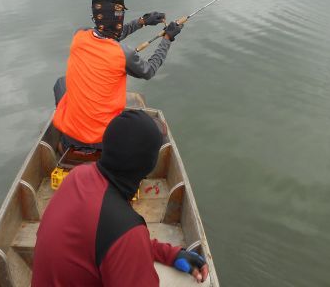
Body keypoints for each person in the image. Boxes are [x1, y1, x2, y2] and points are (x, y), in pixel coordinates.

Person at [32, 109, 209, 286]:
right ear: (149, 164)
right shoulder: (124, 228)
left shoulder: (78, 175)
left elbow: (111, 242)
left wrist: (170, 254)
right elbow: (122, 241)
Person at [52, 0, 183, 149]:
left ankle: (67, 140)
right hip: (104, 140)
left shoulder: (79, 35)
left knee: (61, 83)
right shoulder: (123, 53)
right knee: (155, 126)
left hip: (70, 135)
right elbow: (149, 70)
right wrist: (167, 39)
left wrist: (141, 22)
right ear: (119, 16)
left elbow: (107, 34)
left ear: (96, 14)